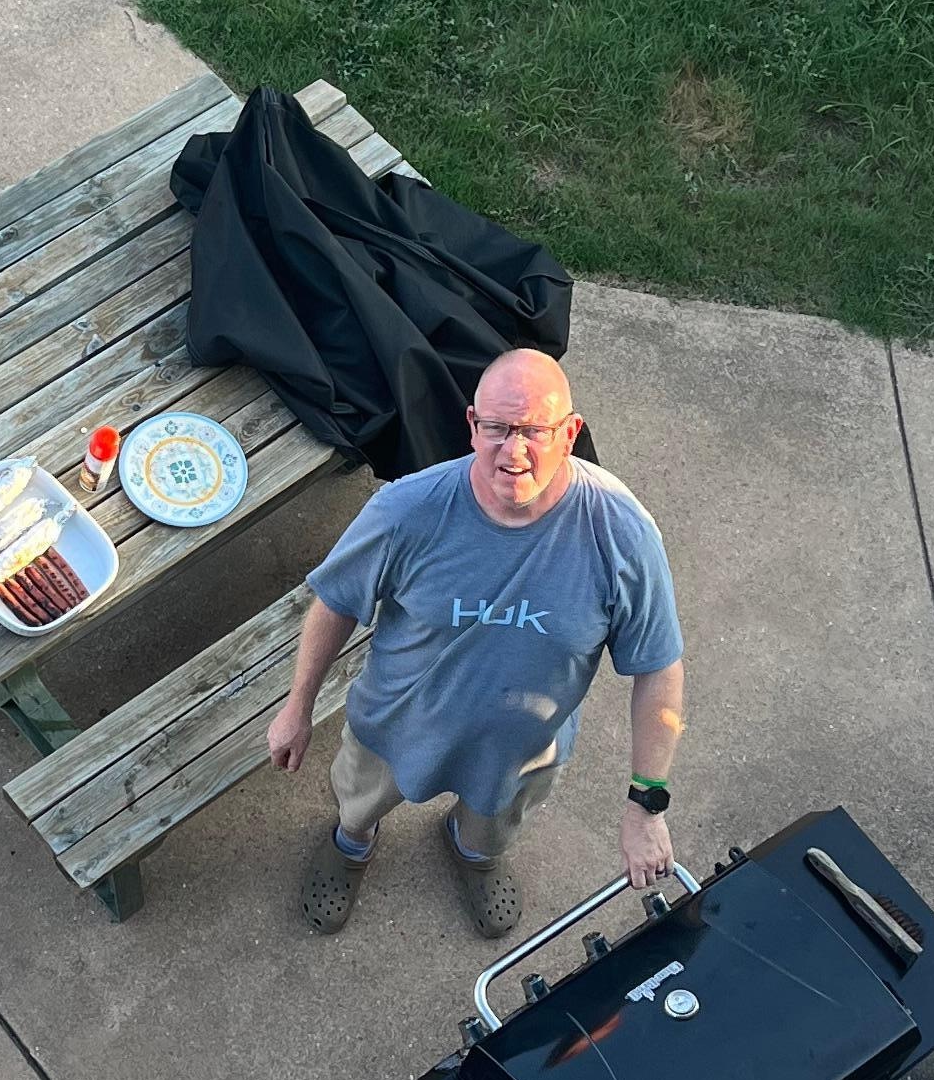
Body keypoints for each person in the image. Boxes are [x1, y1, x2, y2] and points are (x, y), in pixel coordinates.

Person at [265, 347, 685, 938]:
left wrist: (647, 801)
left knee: (491, 828)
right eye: (497, 428)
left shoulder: (623, 534)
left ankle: (473, 853)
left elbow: (659, 668)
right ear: (471, 425)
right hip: (394, 725)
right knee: (358, 804)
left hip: (520, 752)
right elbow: (334, 600)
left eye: (535, 431)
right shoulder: (406, 509)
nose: (513, 452)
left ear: (570, 433)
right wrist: (297, 707)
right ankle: (352, 844)